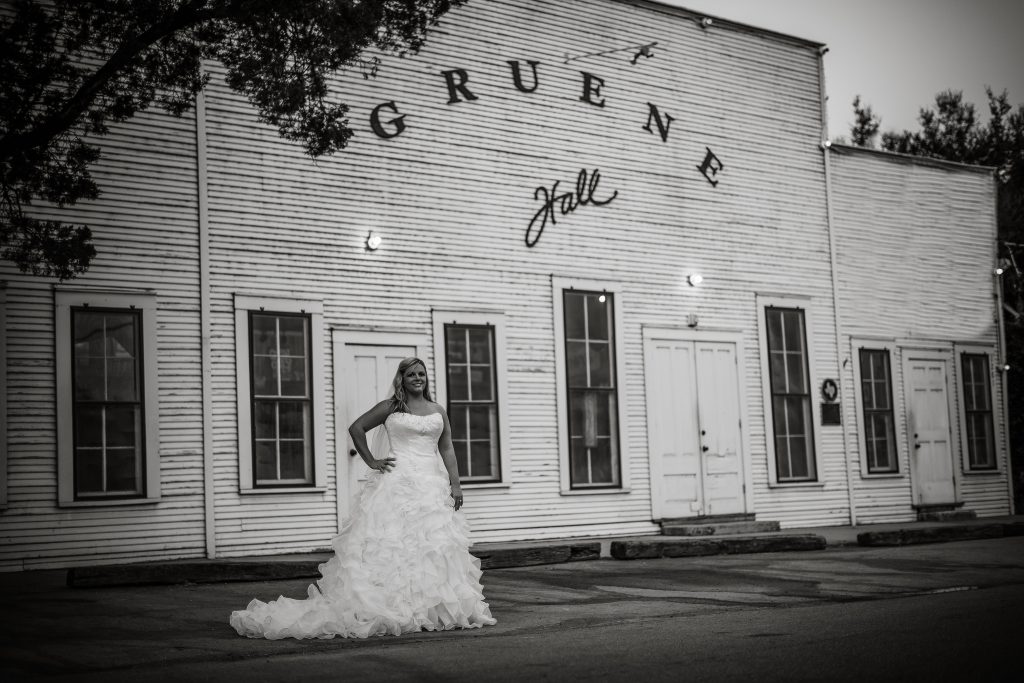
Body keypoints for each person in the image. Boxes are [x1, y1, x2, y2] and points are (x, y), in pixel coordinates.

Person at [229, 357, 496, 639]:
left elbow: (448, 448)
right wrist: (371, 461)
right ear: (401, 379)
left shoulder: (437, 410)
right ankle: (393, 606)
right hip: (396, 483)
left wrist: (456, 485)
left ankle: (431, 609)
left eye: (422, 373)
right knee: (392, 545)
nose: (418, 378)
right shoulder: (392, 407)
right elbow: (356, 428)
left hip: (431, 486)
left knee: (433, 547)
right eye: (411, 374)